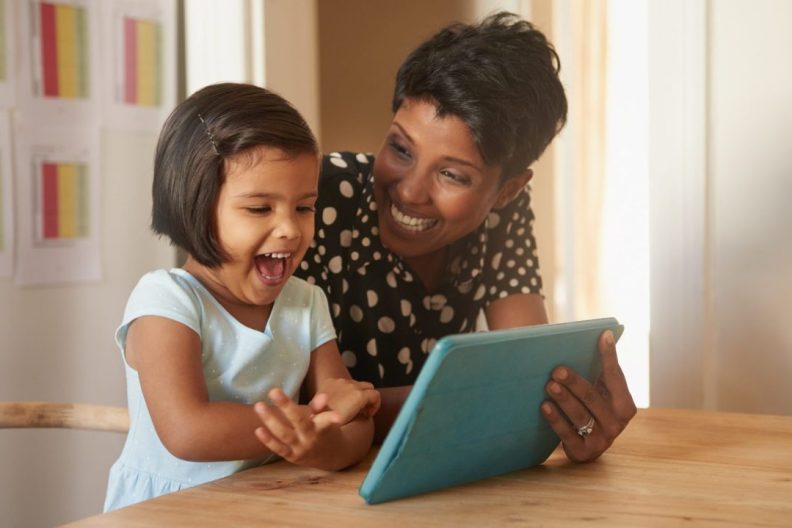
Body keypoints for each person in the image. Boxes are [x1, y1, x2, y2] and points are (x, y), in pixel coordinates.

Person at [295, 12, 635, 462]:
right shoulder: (316, 198)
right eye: (400, 148)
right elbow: (292, 409)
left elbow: (528, 379)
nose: (410, 191)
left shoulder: (504, 216)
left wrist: (573, 410)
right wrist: (493, 401)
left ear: (507, 191)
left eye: (452, 175)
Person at [104, 83, 380, 511]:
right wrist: (316, 419)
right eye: (259, 209)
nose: (290, 228)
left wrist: (320, 448)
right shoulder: (166, 300)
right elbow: (188, 430)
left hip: (263, 506)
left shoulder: (306, 303)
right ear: (194, 205)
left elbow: (355, 424)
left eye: (304, 207)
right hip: (168, 512)